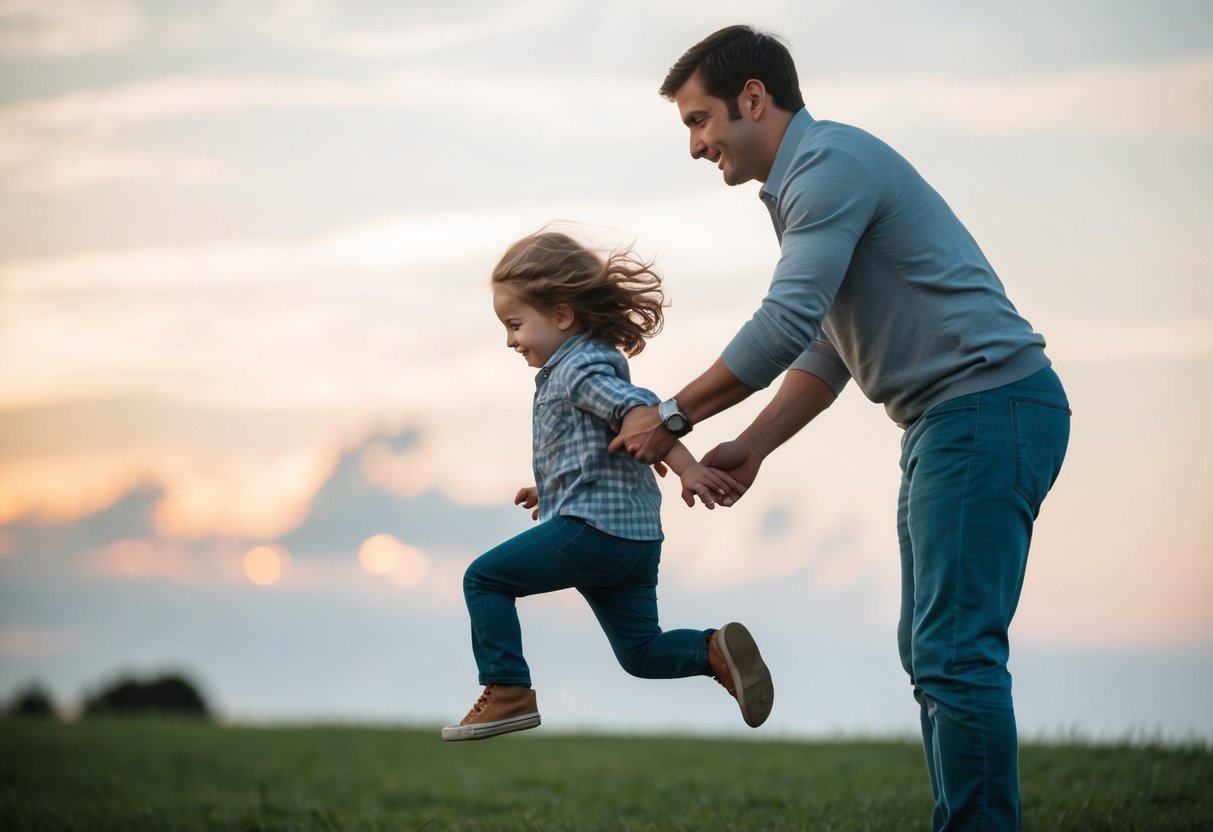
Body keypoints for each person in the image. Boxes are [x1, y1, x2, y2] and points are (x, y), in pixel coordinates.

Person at [609, 25, 1071, 831]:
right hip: (947, 420)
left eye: (698, 119)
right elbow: (826, 342)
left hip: (984, 407)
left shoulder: (828, 167)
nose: (694, 145)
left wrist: (675, 413)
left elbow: (785, 320)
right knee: (931, 654)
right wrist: (752, 444)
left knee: (955, 653)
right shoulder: (806, 186)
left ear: (752, 99)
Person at [443, 229, 775, 742]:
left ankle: (507, 689)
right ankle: (713, 651)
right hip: (633, 544)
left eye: (515, 324)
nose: (511, 340)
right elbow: (603, 441)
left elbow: (644, 416)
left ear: (561, 314)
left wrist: (687, 468)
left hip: (595, 532)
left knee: (484, 580)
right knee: (641, 652)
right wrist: (550, 488)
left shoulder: (577, 368)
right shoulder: (577, 370)